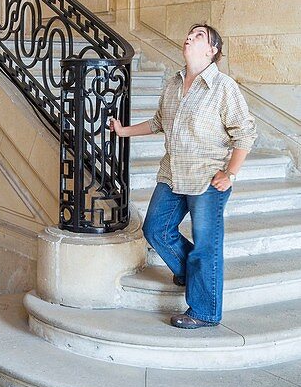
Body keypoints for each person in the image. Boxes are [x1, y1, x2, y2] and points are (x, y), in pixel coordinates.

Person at [109, 24, 256, 329]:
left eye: (199, 35)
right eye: (189, 33)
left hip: (207, 178)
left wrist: (230, 173)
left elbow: (245, 133)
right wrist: (124, 131)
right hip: (172, 173)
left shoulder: (223, 87)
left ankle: (204, 311)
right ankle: (193, 275)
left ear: (212, 50)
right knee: (155, 230)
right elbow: (158, 122)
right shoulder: (174, 83)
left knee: (206, 246)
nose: (189, 36)